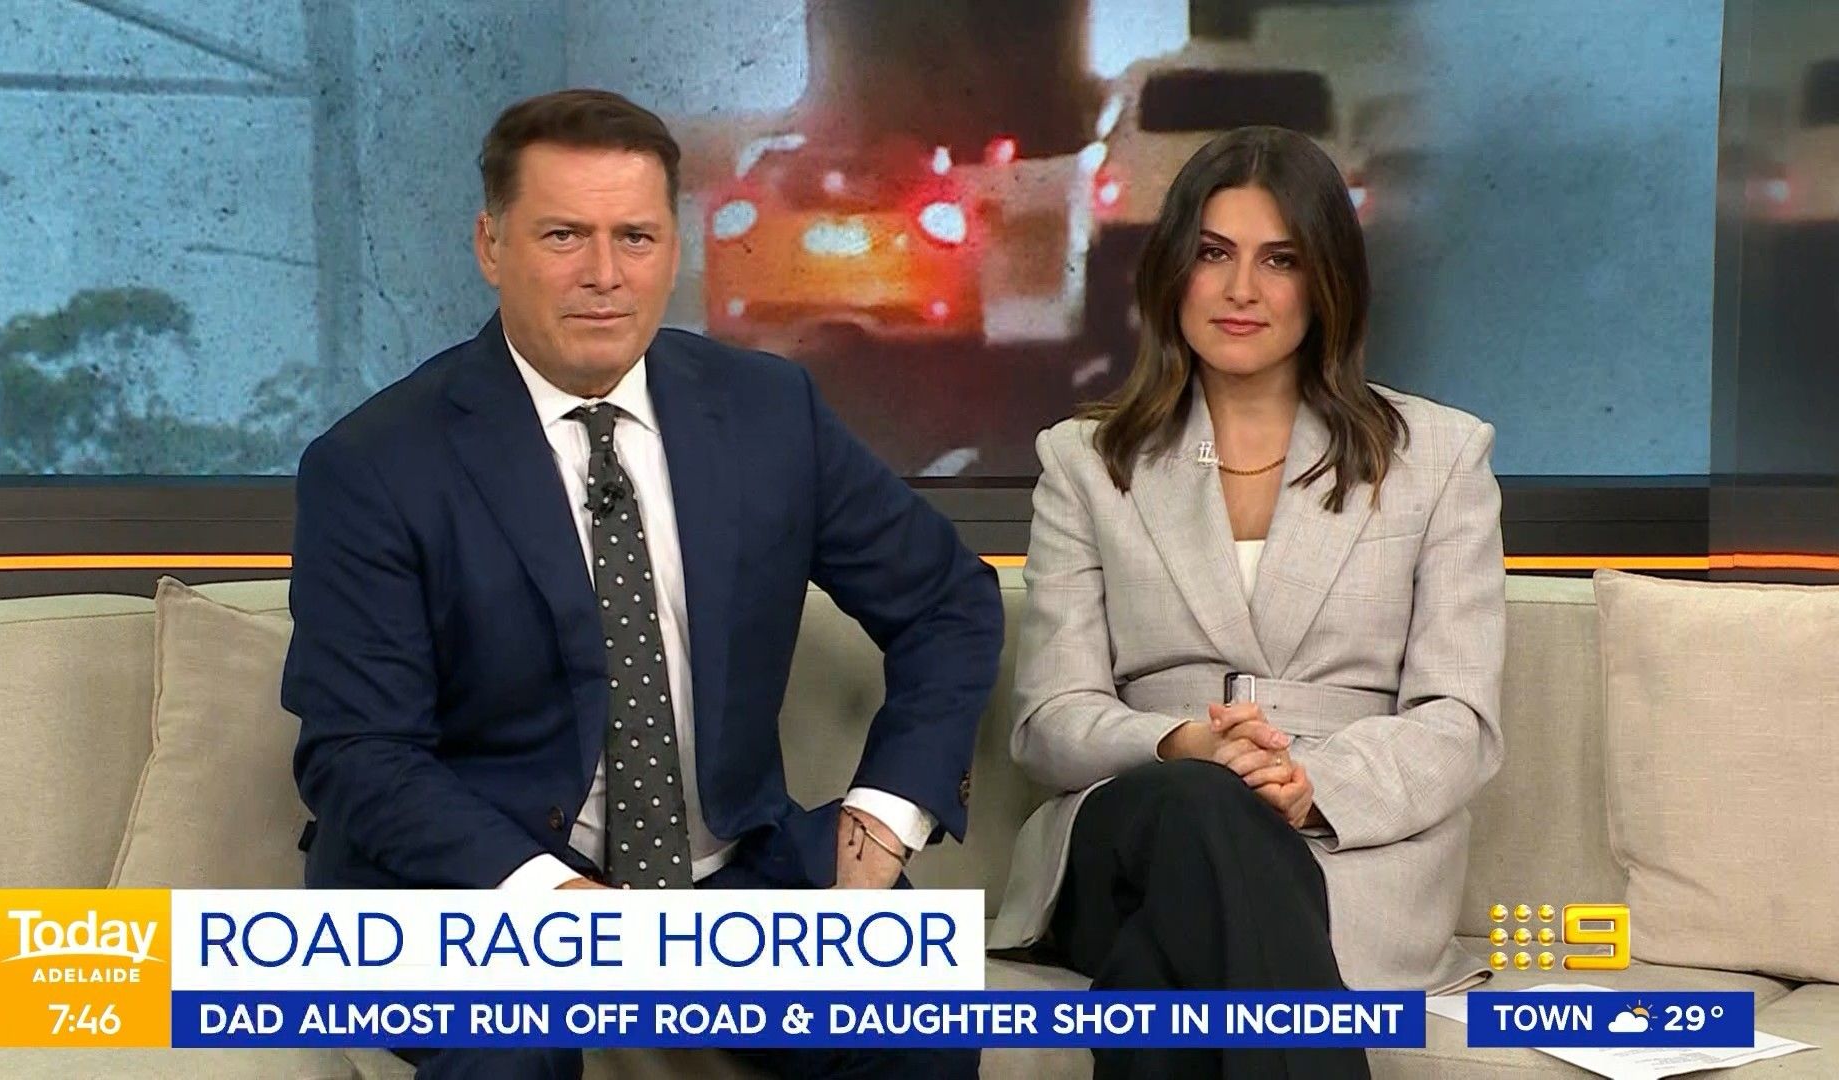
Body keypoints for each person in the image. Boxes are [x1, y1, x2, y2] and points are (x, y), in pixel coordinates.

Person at [283, 89, 1002, 1080]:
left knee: (919, 1015)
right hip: (480, 889)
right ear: (490, 246)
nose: (605, 275)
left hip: (728, 879)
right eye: (563, 236)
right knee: (507, 1052)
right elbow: (359, 752)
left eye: (635, 236)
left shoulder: (768, 413)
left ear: (674, 249)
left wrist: (885, 812)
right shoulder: (376, 464)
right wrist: (555, 902)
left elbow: (946, 603)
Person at [987, 126, 1507, 1079]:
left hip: (1336, 849)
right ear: (1172, 271)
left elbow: (1458, 720)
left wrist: (1310, 785)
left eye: (1280, 260)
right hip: (1132, 830)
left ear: (1328, 281)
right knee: (1200, 804)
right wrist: (1184, 745)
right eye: (1213, 254)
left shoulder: (1439, 457)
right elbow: (1049, 723)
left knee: (1158, 972)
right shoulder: (1085, 462)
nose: (1240, 290)